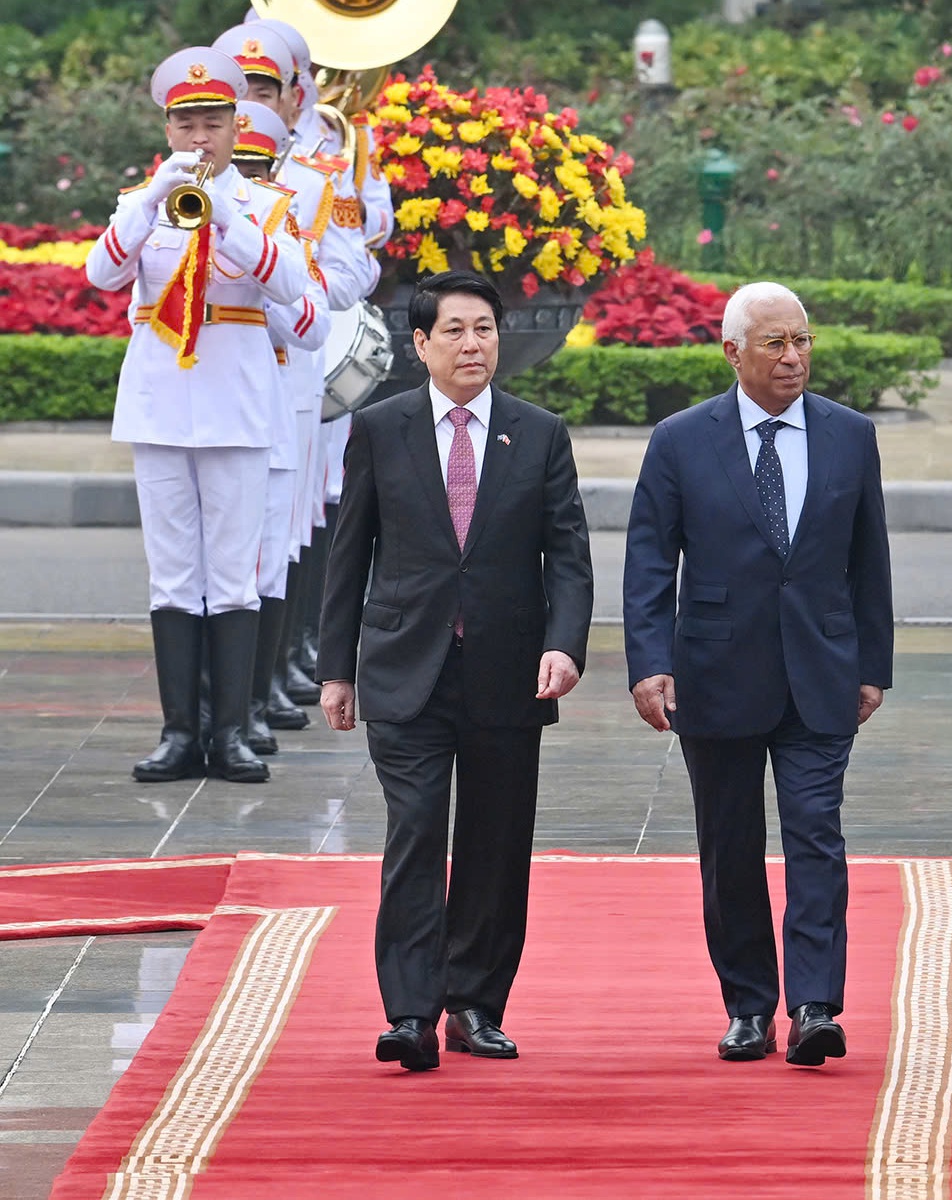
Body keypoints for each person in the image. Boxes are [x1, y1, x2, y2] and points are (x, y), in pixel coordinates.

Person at [317, 270, 593, 1072]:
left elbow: (568, 554)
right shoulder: (381, 428)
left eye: (485, 329)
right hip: (406, 668)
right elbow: (349, 554)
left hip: (508, 671)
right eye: (456, 331)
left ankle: (474, 1004)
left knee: (494, 844)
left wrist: (565, 645)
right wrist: (337, 670)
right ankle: (410, 1012)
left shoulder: (539, 433)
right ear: (421, 343)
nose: (473, 344)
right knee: (415, 834)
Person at [624, 282, 894, 1066]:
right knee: (730, 848)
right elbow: (649, 562)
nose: (793, 357)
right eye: (775, 343)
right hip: (715, 674)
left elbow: (868, 559)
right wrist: (650, 663)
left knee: (817, 837)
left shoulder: (850, 436)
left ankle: (815, 1006)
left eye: (802, 341)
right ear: (732, 352)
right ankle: (749, 1005)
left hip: (821, 672)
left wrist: (872, 665)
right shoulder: (680, 441)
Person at [85, 48, 308, 785]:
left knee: (235, 576)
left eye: (213, 124)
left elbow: (291, 286)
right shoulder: (143, 200)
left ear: (236, 125)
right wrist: (154, 198)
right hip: (159, 405)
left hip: (236, 404)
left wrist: (230, 217)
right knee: (174, 576)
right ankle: (179, 732)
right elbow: (102, 273)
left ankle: (232, 732)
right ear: (168, 129)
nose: (200, 138)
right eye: (187, 125)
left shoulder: (264, 203)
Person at [229, 97, 333, 756]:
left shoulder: (287, 222)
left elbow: (312, 318)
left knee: (269, 558)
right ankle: (205, 713)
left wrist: (261, 280)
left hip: (277, 405)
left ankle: (252, 699)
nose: (244, 178)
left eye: (255, 167)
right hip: (208, 408)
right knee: (205, 571)